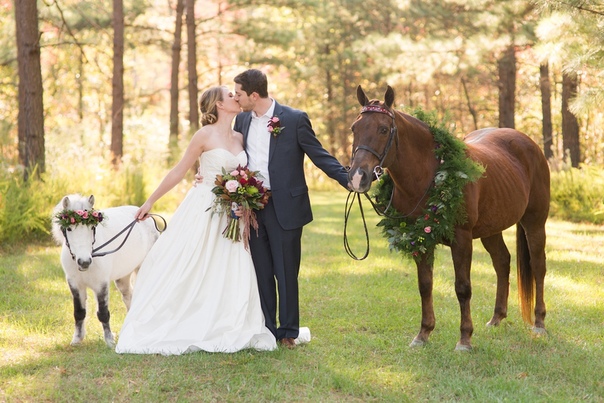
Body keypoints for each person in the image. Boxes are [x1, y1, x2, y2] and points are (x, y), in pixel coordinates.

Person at [115, 86, 277, 355]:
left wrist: (245, 199)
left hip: (233, 211)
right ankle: (184, 318)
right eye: (230, 95)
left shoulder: (240, 136)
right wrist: (150, 201)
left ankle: (228, 319)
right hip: (204, 207)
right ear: (219, 105)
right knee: (192, 262)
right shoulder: (204, 135)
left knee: (230, 265)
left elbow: (248, 171)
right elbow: (179, 170)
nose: (236, 98)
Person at [231, 69, 349, 348]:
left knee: (285, 272)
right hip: (253, 207)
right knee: (261, 271)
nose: (236, 98)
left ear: (254, 95)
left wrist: (349, 179)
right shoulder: (242, 120)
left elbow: (319, 155)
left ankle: (288, 332)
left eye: (239, 93)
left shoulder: (294, 119)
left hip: (286, 205)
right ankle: (268, 329)